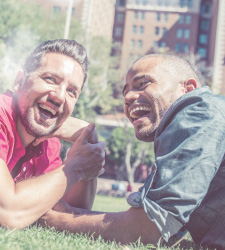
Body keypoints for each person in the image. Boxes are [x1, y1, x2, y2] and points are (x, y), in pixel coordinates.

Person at [40, 53, 225, 249]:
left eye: (143, 83)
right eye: (125, 91)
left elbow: (146, 230)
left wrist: (53, 219)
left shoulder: (198, 110)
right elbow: (169, 234)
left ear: (187, 89)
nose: (128, 98)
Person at [0, 39, 106, 229]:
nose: (59, 96)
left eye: (72, 91)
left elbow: (68, 212)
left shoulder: (48, 144)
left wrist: (88, 138)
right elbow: (7, 213)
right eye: (50, 79)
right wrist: (75, 167)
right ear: (19, 82)